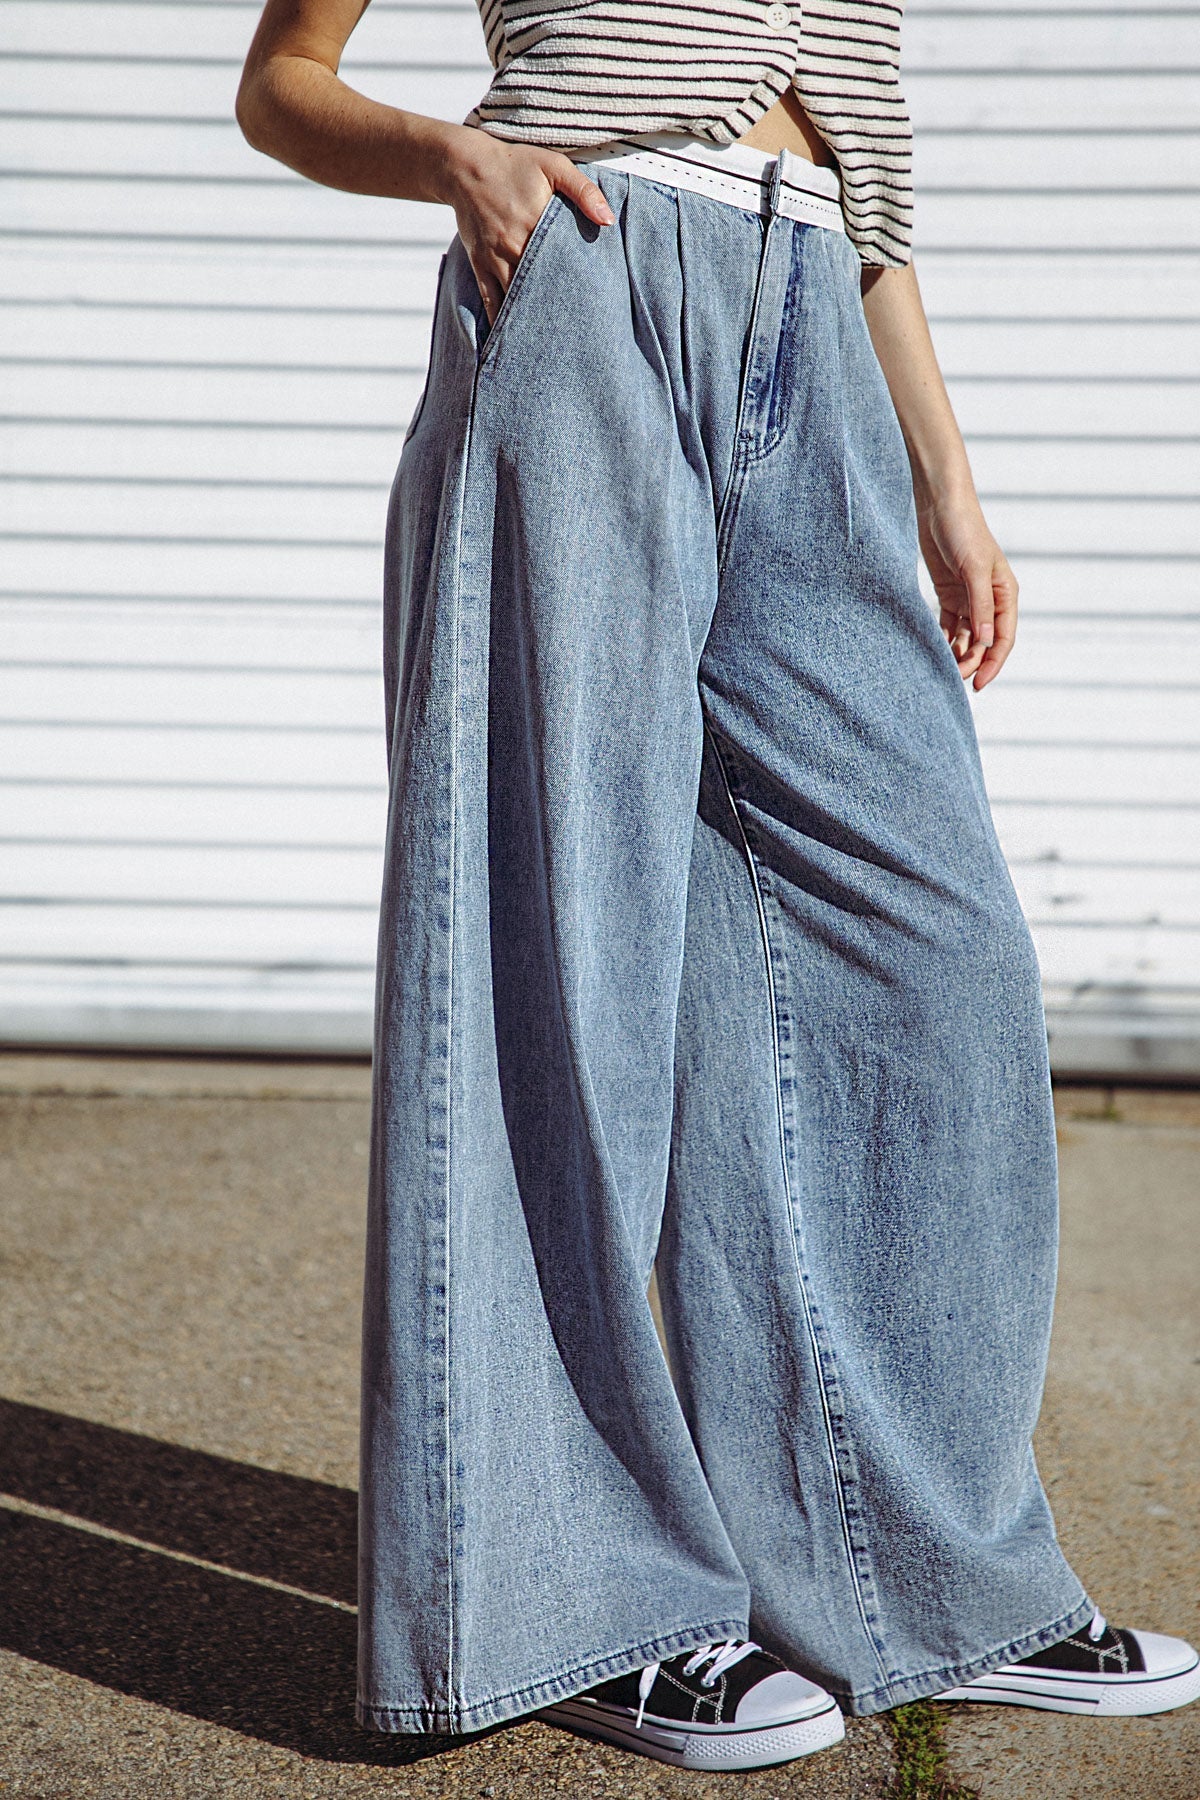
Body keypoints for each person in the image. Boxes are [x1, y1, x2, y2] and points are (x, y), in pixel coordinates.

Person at [235, 0, 1200, 1771]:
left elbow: (865, 181)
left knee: (934, 952)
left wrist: (946, 477)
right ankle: (573, 1605)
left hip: (811, 320)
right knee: (557, 953)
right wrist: (459, 160)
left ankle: (927, 1580)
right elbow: (282, 87)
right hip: (593, 278)